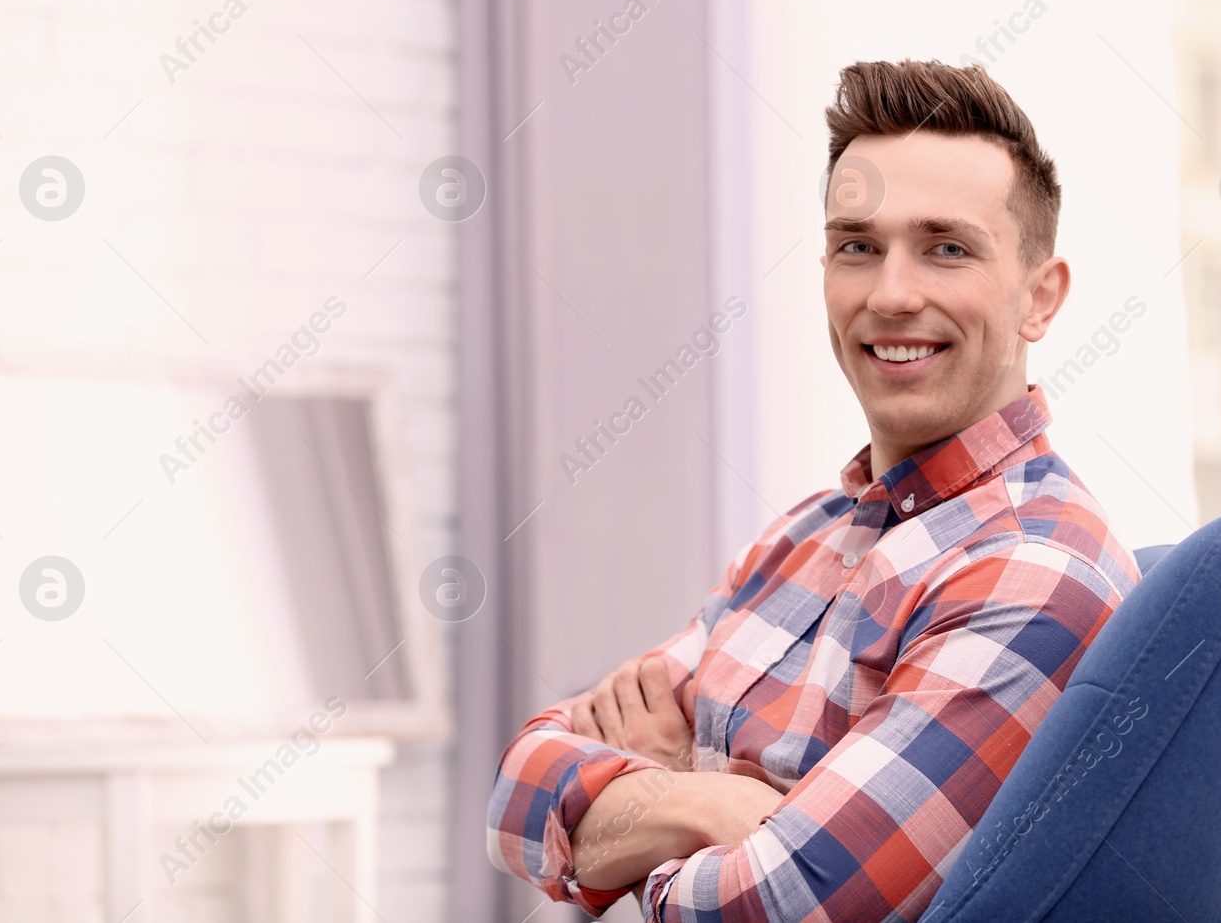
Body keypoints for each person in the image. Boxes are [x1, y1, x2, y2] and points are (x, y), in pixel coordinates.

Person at [486, 59, 1141, 920]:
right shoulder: (800, 538)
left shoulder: (1031, 569)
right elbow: (514, 793)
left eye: (947, 248)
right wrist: (704, 802)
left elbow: (771, 907)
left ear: (1039, 298)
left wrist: (633, 812)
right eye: (857, 248)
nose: (890, 293)